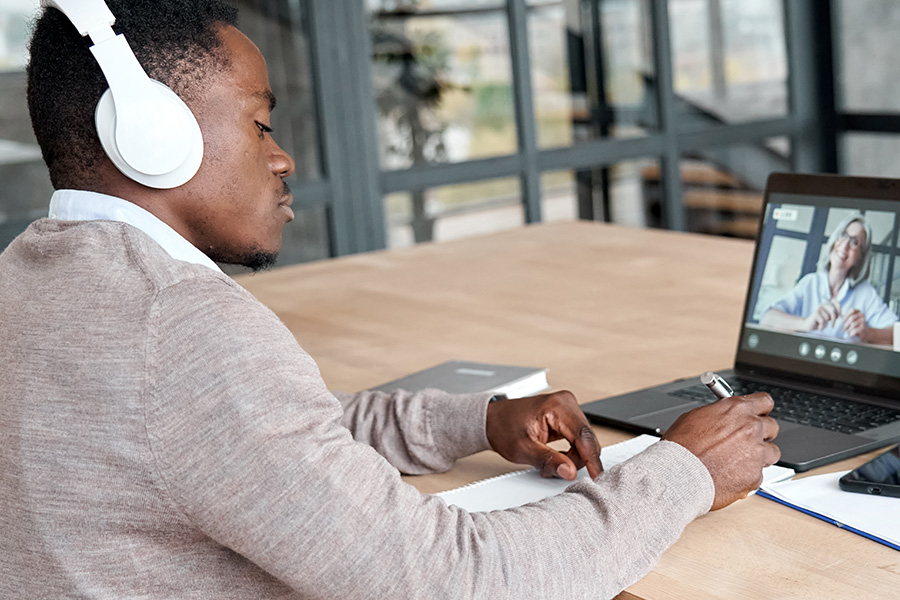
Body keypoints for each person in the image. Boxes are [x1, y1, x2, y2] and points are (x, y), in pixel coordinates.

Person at [0, 2, 779, 598]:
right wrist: (684, 472)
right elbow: (452, 580)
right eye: (260, 123)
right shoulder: (181, 330)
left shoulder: (29, 282)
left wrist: (475, 421)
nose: (283, 157)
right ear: (152, 134)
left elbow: (272, 427)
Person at [760, 213, 898, 344]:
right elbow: (767, 319)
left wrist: (869, 333)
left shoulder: (865, 293)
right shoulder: (810, 282)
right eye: (843, 236)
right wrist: (805, 323)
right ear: (834, 241)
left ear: (860, 257)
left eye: (854, 242)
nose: (844, 246)